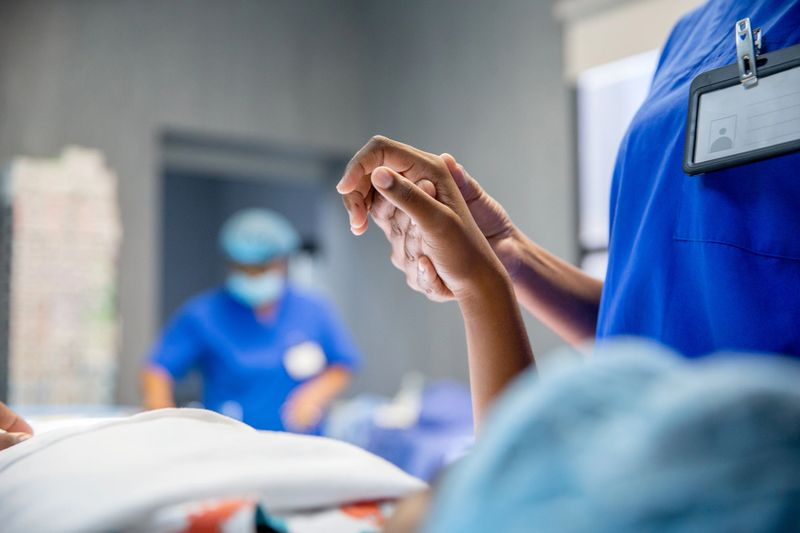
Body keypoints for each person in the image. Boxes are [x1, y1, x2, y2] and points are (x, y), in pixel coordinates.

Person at [337, 0, 800, 426]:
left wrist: (483, 287)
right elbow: (643, 322)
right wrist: (505, 254)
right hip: (645, 454)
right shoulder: (692, 33)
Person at [141, 208, 361, 433]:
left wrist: (314, 395)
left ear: (283, 262)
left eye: (260, 268)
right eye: (242, 268)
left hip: (302, 445)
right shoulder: (204, 315)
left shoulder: (314, 310)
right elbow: (158, 369)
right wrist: (163, 425)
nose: (251, 276)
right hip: (230, 446)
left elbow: (342, 363)